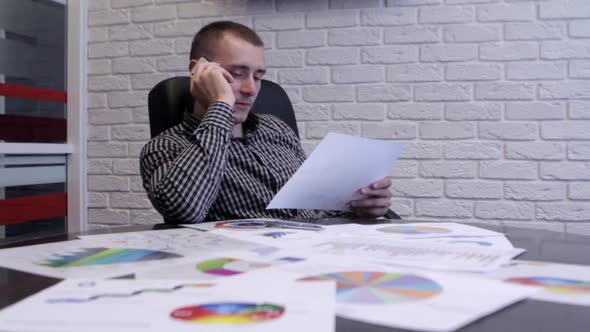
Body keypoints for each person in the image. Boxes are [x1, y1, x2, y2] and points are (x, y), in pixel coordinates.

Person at [140, 21, 393, 224]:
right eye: (236, 74)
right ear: (199, 72)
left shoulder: (276, 129)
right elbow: (184, 210)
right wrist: (221, 105)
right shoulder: (165, 147)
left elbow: (313, 208)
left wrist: (360, 207)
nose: (251, 89)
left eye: (258, 76)